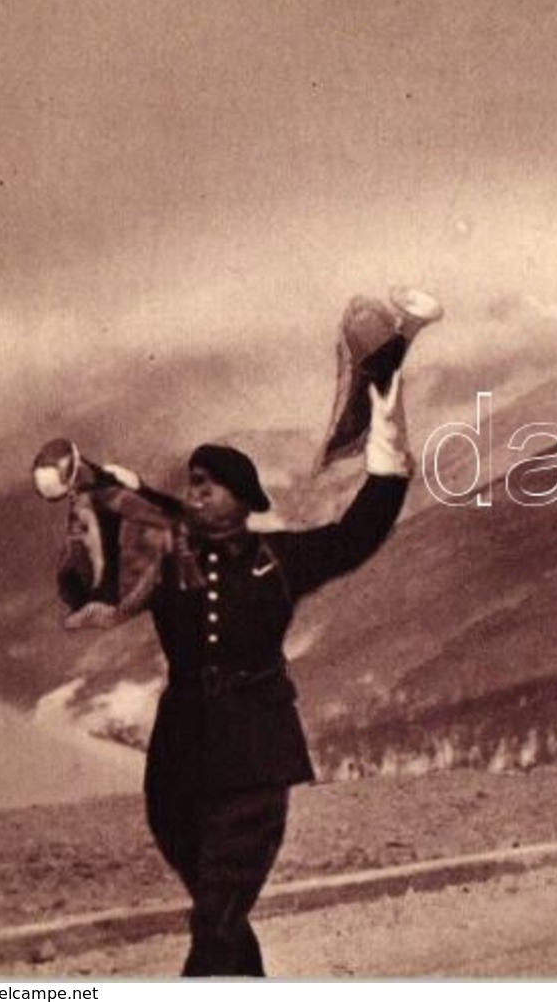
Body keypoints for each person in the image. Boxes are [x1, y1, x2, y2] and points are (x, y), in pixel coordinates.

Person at [141, 372, 412, 975]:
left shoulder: (280, 561)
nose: (198, 493)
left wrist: (388, 465)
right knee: (222, 915)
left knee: (215, 917)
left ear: (243, 499)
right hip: (177, 763)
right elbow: (89, 580)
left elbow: (354, 536)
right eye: (193, 484)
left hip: (256, 758)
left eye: (211, 485)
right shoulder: (163, 560)